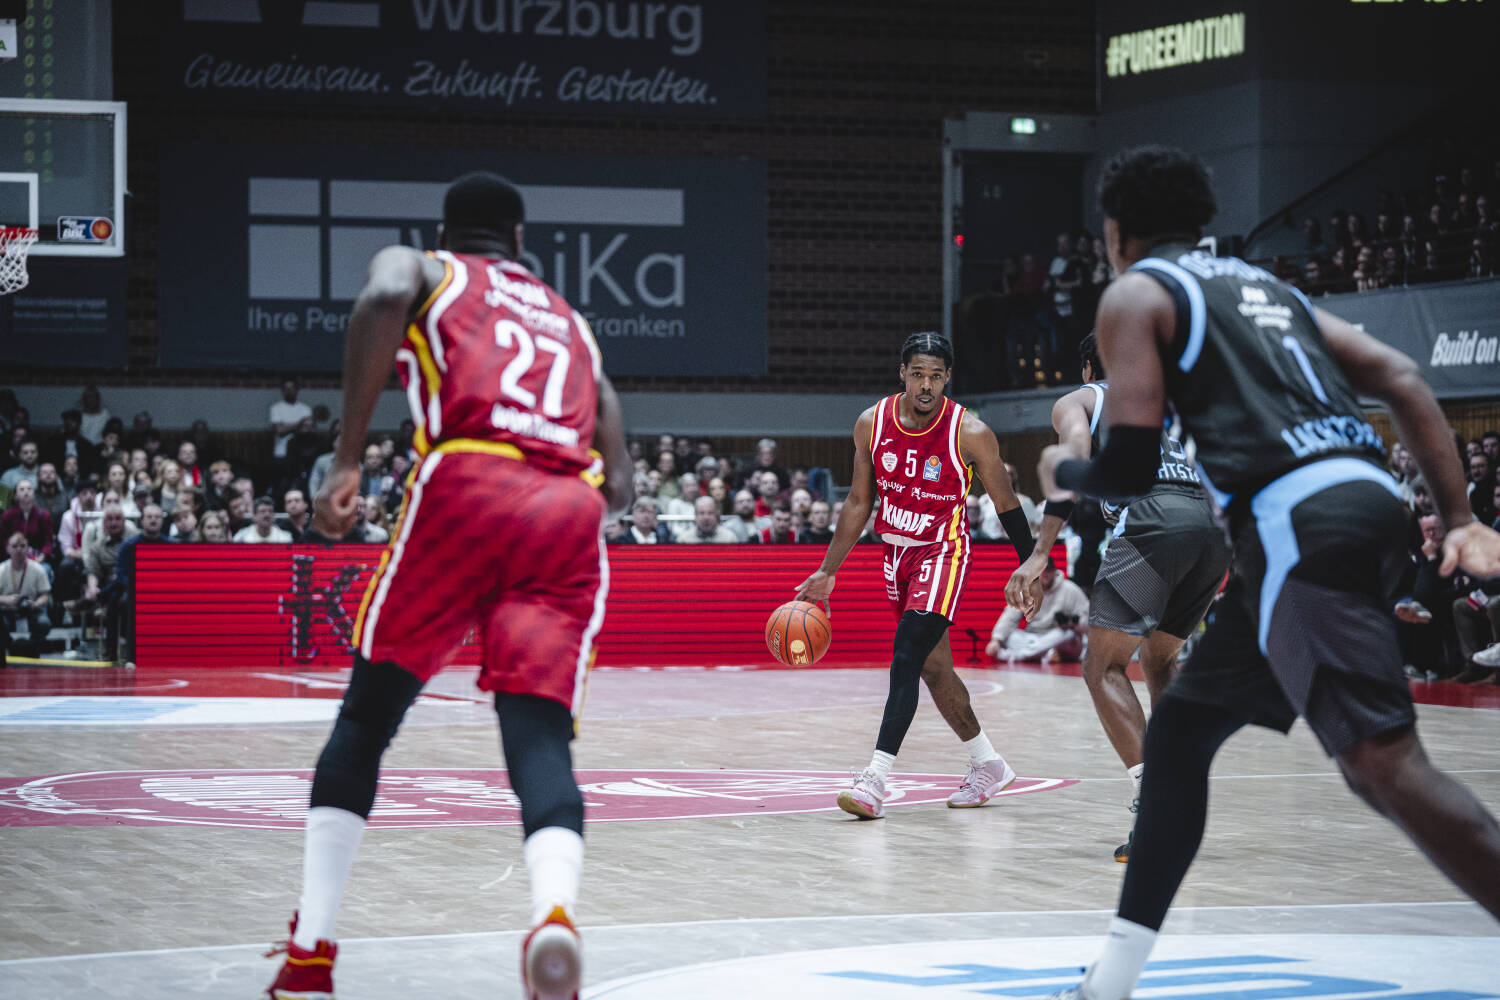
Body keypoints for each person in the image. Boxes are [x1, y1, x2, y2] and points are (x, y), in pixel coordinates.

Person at [1040, 146, 1500, 1000]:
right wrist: (1462, 517)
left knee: (1383, 763)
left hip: (1299, 521)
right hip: (1369, 503)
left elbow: (1128, 467)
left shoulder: (1138, 293)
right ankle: (1111, 981)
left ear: (1115, 233)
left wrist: (1062, 471)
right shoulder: (1270, 290)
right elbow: (1403, 378)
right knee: (1179, 735)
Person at [265, 171, 631, 1000]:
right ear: (521, 241)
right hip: (566, 509)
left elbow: (384, 289)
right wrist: (568, 494)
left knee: (368, 718)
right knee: (540, 736)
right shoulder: (570, 320)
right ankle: (554, 915)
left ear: (445, 235)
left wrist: (347, 460)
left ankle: (311, 950)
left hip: (468, 480)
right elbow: (620, 477)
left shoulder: (430, 268)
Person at [1007, 332, 1233, 862]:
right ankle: (1181, 787)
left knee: (1102, 665)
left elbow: (1072, 463)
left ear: (1089, 368)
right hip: (1212, 531)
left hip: (1154, 523)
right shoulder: (1174, 402)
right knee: (1160, 660)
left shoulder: (1082, 398)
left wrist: (1039, 553)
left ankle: (1155, 802)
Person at [796, 331, 1037, 820]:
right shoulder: (871, 422)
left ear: (947, 378)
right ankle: (988, 764)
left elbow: (1006, 502)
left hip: (943, 552)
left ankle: (874, 780)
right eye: (918, 374)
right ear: (902, 374)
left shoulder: (970, 432)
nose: (927, 385)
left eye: (936, 376)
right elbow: (859, 501)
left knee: (905, 656)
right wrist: (828, 570)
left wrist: (1031, 564)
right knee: (933, 668)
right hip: (896, 555)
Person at [988, 560, 1089, 662]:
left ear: (1054, 572)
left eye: (1048, 570)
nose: (1045, 574)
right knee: (1011, 637)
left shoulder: (1070, 589)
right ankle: (1046, 655)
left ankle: (1014, 656)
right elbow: (1010, 617)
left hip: (1057, 638)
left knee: (1068, 635)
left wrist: (1072, 624)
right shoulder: (1026, 590)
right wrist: (996, 640)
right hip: (1032, 637)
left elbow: (1087, 618)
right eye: (1042, 571)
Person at [0, 531, 51, 660]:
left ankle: (31, 648)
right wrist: (6, 600)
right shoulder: (1, 569)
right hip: (6, 610)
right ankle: (9, 647)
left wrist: (36, 603)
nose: (19, 550)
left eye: (22, 546)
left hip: (30, 609)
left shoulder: (38, 569)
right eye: (14, 546)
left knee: (44, 623)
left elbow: (45, 595)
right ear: (7, 549)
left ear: (28, 548)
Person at [270, 379, 314, 463]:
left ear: (297, 390)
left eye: (291, 388)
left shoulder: (305, 409)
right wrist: (299, 424)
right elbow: (280, 431)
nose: (289, 391)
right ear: (282, 391)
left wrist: (286, 426)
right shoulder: (276, 408)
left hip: (301, 453)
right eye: (286, 388)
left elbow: (308, 430)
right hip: (281, 452)